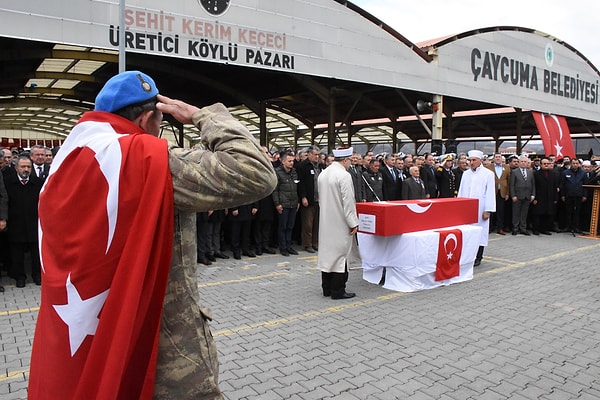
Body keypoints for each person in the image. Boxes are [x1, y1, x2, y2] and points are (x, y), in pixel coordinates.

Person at [28, 70, 277, 399]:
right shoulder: (150, 163)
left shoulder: (67, 163)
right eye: (160, 120)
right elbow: (256, 172)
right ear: (147, 119)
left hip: (88, 325)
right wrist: (205, 116)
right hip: (162, 342)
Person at [318, 147, 359, 300]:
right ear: (345, 160)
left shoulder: (324, 173)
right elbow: (348, 202)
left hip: (326, 219)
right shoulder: (344, 175)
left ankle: (326, 288)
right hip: (340, 220)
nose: (350, 164)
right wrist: (353, 222)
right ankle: (338, 290)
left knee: (328, 254)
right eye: (350, 160)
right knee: (341, 255)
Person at [4, 155, 43, 287]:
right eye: (23, 167)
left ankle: (37, 275)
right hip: (16, 223)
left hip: (33, 223)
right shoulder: (8, 182)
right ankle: (20, 277)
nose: (26, 169)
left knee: (35, 252)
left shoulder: (37, 183)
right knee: (17, 253)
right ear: (16, 168)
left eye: (28, 167)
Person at [457, 150, 496, 267]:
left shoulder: (488, 174)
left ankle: (478, 256)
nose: (471, 162)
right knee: (467, 231)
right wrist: (459, 206)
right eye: (470, 160)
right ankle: (467, 255)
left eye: (474, 160)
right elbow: (461, 191)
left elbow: (490, 193)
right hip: (467, 208)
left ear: (480, 161)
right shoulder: (466, 174)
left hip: (481, 208)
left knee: (480, 231)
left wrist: (488, 210)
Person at [273, 151, 300, 256]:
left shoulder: (294, 172)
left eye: (292, 161)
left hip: (293, 203)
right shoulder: (278, 172)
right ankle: (283, 247)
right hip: (283, 204)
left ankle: (288, 246)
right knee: (282, 227)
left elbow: (296, 187)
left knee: (290, 226)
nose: (292, 163)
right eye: (289, 161)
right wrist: (277, 204)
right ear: (283, 161)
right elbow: (275, 190)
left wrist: (297, 201)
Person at [296, 145, 321, 253]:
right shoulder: (303, 166)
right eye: (315, 155)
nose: (317, 157)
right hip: (308, 199)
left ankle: (315, 242)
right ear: (309, 154)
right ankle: (307, 244)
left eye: (318, 155)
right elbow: (300, 183)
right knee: (308, 223)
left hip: (318, 198)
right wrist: (303, 197)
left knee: (316, 223)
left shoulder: (318, 166)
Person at [531, 158, 559, 235]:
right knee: (537, 214)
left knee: (547, 214)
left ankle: (544, 229)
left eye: (547, 163)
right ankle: (535, 229)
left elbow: (554, 187)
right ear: (541, 164)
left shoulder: (553, 174)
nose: (546, 165)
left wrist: (555, 198)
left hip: (549, 198)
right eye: (544, 164)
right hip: (539, 198)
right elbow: (534, 186)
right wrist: (534, 197)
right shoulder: (536, 174)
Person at [510, 155, 536, 235]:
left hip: (527, 196)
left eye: (525, 162)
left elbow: (533, 184)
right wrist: (513, 195)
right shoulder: (514, 172)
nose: (524, 163)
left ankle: (523, 228)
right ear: (519, 162)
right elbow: (512, 185)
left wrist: (533, 195)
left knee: (524, 213)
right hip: (517, 196)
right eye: (522, 161)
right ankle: (515, 228)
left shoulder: (530, 172)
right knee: (516, 213)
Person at [559, 158, 587, 234]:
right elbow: (562, 185)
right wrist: (563, 195)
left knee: (577, 212)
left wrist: (585, 195)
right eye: (573, 163)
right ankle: (568, 227)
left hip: (579, 195)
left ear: (579, 164)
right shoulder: (565, 172)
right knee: (568, 212)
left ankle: (576, 227)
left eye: (576, 163)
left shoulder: (583, 173)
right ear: (571, 164)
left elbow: (586, 185)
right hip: (568, 195)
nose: (575, 165)